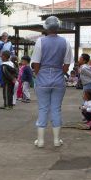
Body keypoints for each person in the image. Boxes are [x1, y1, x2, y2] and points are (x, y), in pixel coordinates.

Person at [31, 16, 73, 147]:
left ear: (46, 28)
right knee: (56, 109)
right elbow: (67, 64)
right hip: (58, 78)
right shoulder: (65, 42)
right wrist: (59, 72)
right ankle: (56, 140)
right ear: (58, 27)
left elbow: (36, 62)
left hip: (43, 77)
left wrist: (39, 74)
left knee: (43, 108)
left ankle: (41, 141)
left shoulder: (40, 41)